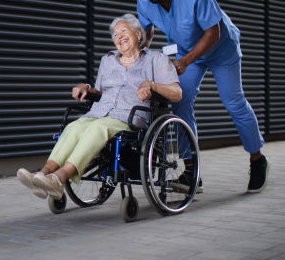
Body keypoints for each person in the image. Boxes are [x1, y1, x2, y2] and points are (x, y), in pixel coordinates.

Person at [133, 0, 269, 193]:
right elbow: (147, 33)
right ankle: (191, 171)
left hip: (221, 50)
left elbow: (213, 33)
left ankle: (257, 160)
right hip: (188, 52)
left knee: (233, 102)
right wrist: (136, 49)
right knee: (179, 101)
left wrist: (185, 61)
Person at [17, 14, 182, 200]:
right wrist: (87, 88)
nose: (119, 36)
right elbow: (101, 92)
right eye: (115, 34)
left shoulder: (156, 59)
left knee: (97, 128)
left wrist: (152, 85)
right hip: (101, 112)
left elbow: (177, 93)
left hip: (130, 117)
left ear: (138, 34)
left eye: (123, 31)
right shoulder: (108, 60)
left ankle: (59, 178)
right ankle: (42, 175)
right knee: (74, 127)